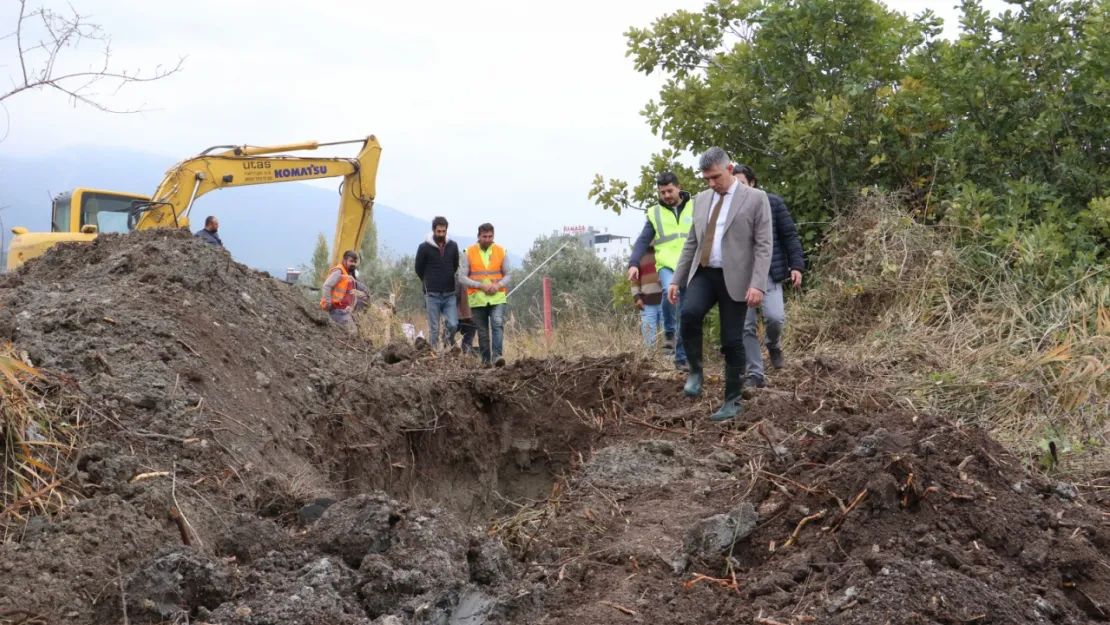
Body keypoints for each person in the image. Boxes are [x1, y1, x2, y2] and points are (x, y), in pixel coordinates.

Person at [668, 147, 772, 421]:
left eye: (715, 177)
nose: (711, 184)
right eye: (706, 179)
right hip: (705, 273)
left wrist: (758, 284)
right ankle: (695, 371)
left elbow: (764, 245)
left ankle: (732, 401)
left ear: (730, 168)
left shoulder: (755, 199)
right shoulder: (701, 200)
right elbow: (692, 242)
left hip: (736, 278)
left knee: (732, 340)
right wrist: (677, 279)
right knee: (689, 315)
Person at [734, 164, 806, 388]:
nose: (738, 189)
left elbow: (789, 236)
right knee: (746, 326)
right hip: (740, 276)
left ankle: (772, 345)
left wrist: (796, 265)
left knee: (775, 318)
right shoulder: (728, 209)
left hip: (769, 273)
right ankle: (756, 373)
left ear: (752, 182)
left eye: (742, 183)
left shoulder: (773, 203)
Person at [628, 172, 693, 370]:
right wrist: (633, 263)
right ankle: (669, 330)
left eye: (669, 190)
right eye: (662, 192)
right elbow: (642, 240)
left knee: (686, 312)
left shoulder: (696, 206)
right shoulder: (654, 213)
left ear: (678, 187)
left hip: (690, 265)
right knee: (668, 292)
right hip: (667, 265)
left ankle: (680, 358)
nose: (666, 195)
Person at [458, 223, 511, 366]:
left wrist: (498, 285)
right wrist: (480, 285)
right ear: (478, 236)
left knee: (497, 324)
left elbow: (508, 275)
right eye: (484, 236)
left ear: (493, 236)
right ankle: (486, 361)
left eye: (490, 236)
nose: (487, 239)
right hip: (477, 298)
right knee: (482, 331)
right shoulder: (468, 252)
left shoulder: (501, 251)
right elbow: (461, 277)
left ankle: (498, 357)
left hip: (497, 296)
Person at [414, 216, 461, 349]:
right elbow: (419, 268)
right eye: (438, 231)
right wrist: (428, 281)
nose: (441, 234)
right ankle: (434, 353)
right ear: (433, 230)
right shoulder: (424, 247)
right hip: (432, 294)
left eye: (443, 231)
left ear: (447, 230)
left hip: (449, 293)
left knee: (453, 324)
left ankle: (446, 343)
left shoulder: (453, 246)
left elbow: (455, 265)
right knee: (434, 328)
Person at [630, 245, 665, 349]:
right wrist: (637, 297)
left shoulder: (664, 251)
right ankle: (650, 362)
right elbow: (634, 280)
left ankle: (670, 361)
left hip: (666, 300)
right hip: (646, 302)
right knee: (649, 338)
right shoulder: (638, 255)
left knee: (669, 334)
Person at [320, 251, 360, 334]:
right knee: (352, 333)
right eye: (351, 261)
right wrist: (328, 303)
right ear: (344, 260)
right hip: (336, 311)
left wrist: (351, 307)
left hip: (345, 311)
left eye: (355, 262)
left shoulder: (349, 274)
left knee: (355, 333)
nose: (353, 264)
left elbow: (350, 294)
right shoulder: (339, 272)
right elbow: (326, 286)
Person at [454, 276, 477, 354]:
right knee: (467, 344)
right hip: (463, 316)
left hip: (463, 317)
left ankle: (465, 360)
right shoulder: (479, 277)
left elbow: (455, 295)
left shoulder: (459, 277)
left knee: (447, 338)